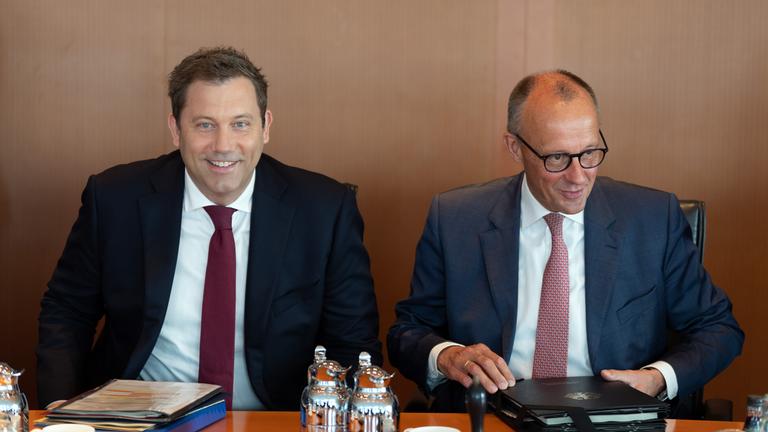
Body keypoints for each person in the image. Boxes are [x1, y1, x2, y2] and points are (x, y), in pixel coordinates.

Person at [37, 47, 381, 410]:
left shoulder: (324, 209)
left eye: (240, 124)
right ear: (175, 129)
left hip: (272, 418)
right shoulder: (114, 199)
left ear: (265, 127)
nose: (223, 145)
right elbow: (68, 309)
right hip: (139, 417)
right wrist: (61, 408)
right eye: (204, 125)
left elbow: (353, 340)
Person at [387, 70, 743, 412]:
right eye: (556, 157)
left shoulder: (652, 219)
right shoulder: (455, 218)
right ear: (515, 148)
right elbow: (407, 332)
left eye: (589, 153)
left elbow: (718, 328)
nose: (578, 177)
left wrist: (656, 379)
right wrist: (446, 356)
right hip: (493, 415)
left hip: (615, 419)